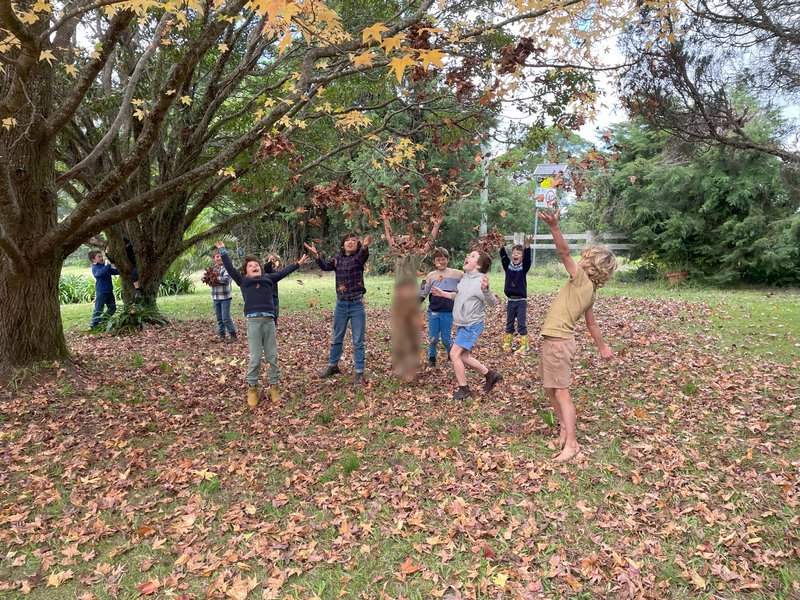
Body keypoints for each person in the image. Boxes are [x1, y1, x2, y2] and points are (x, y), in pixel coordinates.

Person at [537, 209, 617, 462]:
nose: (580, 260)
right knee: (550, 388)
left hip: (559, 342)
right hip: (556, 341)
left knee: (561, 392)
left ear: (590, 265)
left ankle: (572, 444)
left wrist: (554, 227)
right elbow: (591, 324)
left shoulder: (581, 279)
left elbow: (563, 253)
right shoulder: (589, 290)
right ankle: (564, 430)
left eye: (585, 258)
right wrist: (603, 347)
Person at [215, 241, 308, 408]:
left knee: (272, 356)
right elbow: (229, 268)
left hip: (269, 322)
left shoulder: (268, 278)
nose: (254, 267)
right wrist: (223, 251)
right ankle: (252, 388)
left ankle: (274, 386)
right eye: (250, 266)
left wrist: (298, 264)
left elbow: (284, 272)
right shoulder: (243, 281)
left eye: (256, 265)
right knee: (256, 358)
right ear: (245, 271)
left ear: (261, 268)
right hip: (253, 323)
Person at [304, 232, 372, 386]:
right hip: (341, 305)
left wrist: (365, 246)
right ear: (343, 244)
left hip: (357, 304)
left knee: (358, 340)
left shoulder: (358, 258)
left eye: (353, 240)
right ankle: (333, 366)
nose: (350, 242)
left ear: (357, 244)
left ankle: (359, 372)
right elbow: (325, 266)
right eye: (347, 240)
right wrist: (316, 256)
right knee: (337, 338)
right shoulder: (337, 259)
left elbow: (363, 255)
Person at [431, 249, 501, 400]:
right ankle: (491, 375)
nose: (468, 256)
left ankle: (464, 389)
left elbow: (492, 303)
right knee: (463, 356)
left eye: (472, 256)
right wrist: (443, 293)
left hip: (472, 325)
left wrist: (486, 290)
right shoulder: (465, 278)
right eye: (469, 254)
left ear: (479, 265)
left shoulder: (480, 282)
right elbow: (458, 296)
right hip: (463, 324)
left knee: (454, 354)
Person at [419, 247, 463, 368]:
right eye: (438, 259)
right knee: (433, 338)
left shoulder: (456, 274)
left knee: (446, 340)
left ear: (448, 260)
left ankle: (451, 354)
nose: (441, 262)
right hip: (433, 312)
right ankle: (432, 358)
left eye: (443, 259)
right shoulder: (431, 275)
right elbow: (423, 291)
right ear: (434, 261)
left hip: (448, 312)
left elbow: (468, 280)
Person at [499, 236, 532, 353]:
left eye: (518, 253)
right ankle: (508, 343)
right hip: (511, 300)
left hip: (521, 300)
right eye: (514, 253)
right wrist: (501, 247)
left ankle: (524, 345)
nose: (515, 255)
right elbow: (503, 257)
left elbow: (528, 260)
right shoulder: (508, 266)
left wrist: (527, 247)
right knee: (509, 323)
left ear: (522, 257)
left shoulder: (523, 267)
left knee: (521, 324)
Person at [206, 248, 237, 343]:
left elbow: (227, 280)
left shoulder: (227, 268)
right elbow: (208, 279)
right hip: (215, 297)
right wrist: (212, 279)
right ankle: (222, 335)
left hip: (225, 297)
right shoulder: (213, 269)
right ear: (214, 258)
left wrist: (215, 278)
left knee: (226, 318)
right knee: (219, 318)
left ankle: (233, 334)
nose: (219, 258)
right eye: (217, 256)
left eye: (220, 256)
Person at [88, 249, 119, 329]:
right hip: (101, 292)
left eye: (101, 256)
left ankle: (102, 321)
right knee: (99, 309)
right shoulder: (95, 268)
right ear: (93, 260)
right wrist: (108, 265)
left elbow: (115, 271)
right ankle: (94, 324)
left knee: (112, 308)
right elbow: (99, 274)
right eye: (99, 257)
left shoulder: (104, 267)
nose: (101, 258)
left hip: (109, 291)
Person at [263, 254, 282, 327]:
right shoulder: (263, 270)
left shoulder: (274, 271)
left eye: (273, 259)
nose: (272, 261)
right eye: (270, 259)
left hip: (274, 294)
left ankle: (274, 325)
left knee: (275, 313)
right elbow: (265, 269)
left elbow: (280, 272)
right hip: (266, 295)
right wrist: (269, 262)